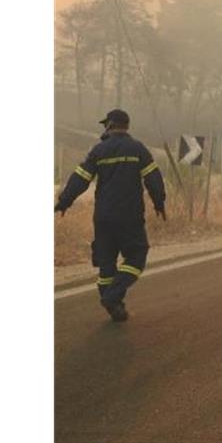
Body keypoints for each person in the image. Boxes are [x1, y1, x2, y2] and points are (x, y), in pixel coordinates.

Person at [55, 109, 167, 322]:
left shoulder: (99, 151)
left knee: (107, 264)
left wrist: (64, 201)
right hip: (130, 217)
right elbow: (153, 178)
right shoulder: (138, 149)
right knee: (136, 256)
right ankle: (112, 297)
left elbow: (80, 179)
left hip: (103, 218)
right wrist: (159, 202)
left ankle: (114, 303)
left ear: (110, 125)